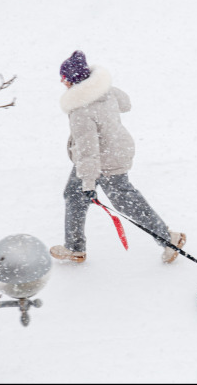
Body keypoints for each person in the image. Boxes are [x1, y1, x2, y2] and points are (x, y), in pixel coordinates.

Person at [50, 50, 186, 264]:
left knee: (125, 201)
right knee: (74, 195)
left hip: (105, 161)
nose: (61, 81)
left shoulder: (80, 110)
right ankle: (75, 247)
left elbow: (88, 150)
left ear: (75, 81)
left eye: (64, 77)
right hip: (115, 150)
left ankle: (169, 238)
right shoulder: (106, 92)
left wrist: (88, 183)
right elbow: (126, 104)